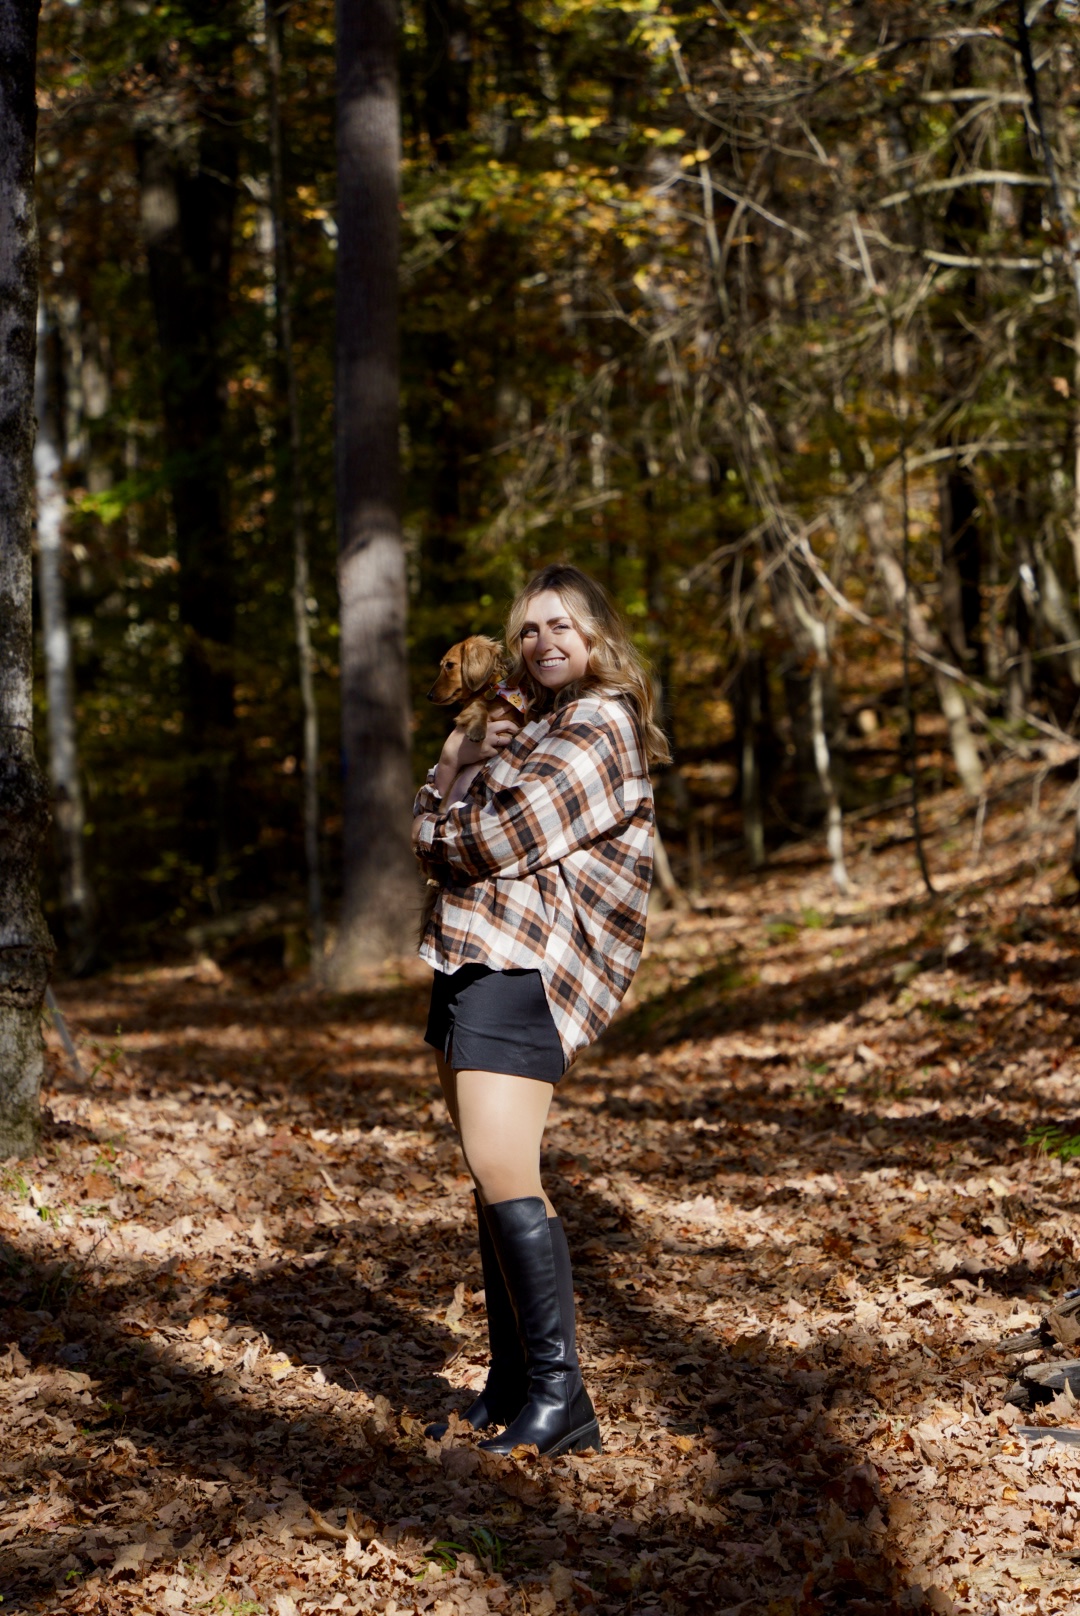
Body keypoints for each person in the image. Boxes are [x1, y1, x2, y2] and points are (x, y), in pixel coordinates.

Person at [412, 563, 670, 1457]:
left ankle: (565, 1401)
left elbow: (485, 835)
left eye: (563, 625)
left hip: (526, 966)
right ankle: (514, 1380)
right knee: (491, 1175)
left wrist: (450, 795)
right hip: (470, 955)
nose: (544, 641)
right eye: (529, 629)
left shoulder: (600, 724)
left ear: (597, 637)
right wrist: (453, 779)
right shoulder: (523, 722)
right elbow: (439, 819)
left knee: (504, 1166)